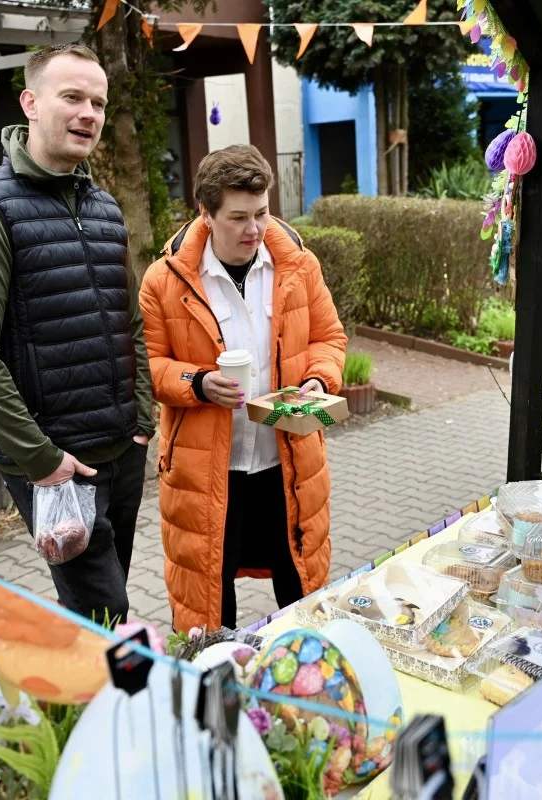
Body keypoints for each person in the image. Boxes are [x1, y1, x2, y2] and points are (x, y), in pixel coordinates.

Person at [0, 44, 155, 625]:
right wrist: (39, 459)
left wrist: (142, 419)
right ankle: (91, 705)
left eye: (98, 102)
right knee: (104, 610)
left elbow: (127, 319)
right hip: (57, 463)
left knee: (99, 609)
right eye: (73, 97)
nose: (89, 113)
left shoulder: (104, 207)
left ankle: (90, 702)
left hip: (121, 450)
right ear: (30, 104)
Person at [139, 144, 347, 632]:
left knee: (303, 603)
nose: (255, 230)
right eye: (238, 217)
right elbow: (147, 366)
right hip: (205, 472)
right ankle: (220, 696)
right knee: (209, 610)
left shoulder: (299, 266)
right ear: (205, 214)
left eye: (263, 213)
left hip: (288, 464)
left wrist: (318, 379)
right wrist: (197, 382)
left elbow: (329, 337)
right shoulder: (162, 281)